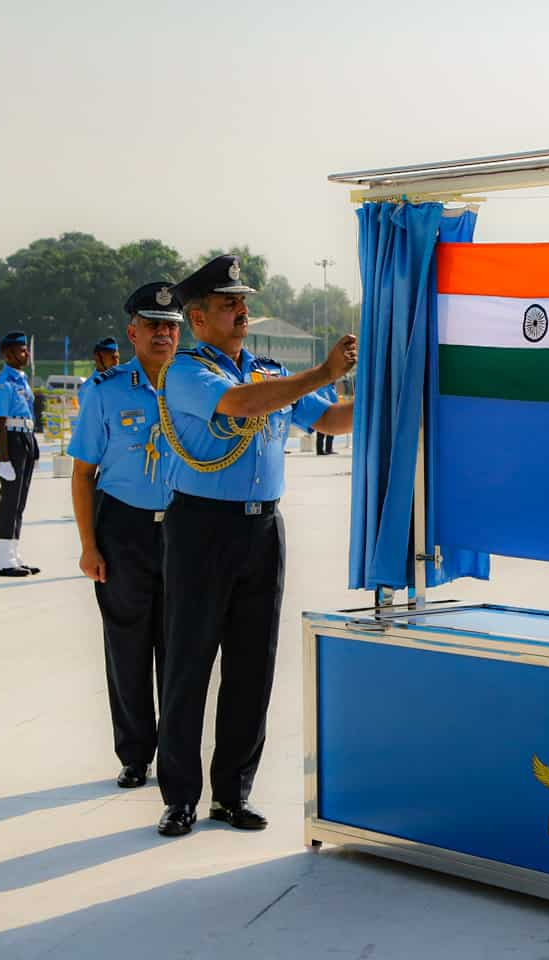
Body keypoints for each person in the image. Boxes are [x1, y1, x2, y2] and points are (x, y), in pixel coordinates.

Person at [153, 254, 357, 837]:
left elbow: (330, 421)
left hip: (262, 529)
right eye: (227, 304)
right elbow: (239, 406)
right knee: (188, 664)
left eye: (242, 302)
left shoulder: (268, 373)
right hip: (201, 527)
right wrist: (320, 373)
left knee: (252, 665)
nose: (241, 311)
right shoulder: (188, 371)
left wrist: (383, 398)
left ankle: (232, 792)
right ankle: (180, 796)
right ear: (196, 319)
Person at [67, 284, 181, 790]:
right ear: (132, 332)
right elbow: (82, 473)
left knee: (181, 647)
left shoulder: (196, 385)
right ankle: (135, 753)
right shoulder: (105, 390)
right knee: (127, 646)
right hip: (124, 529)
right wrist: (89, 546)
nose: (163, 333)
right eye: (153, 325)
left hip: (184, 529)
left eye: (171, 325)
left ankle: (179, 751)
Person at [0, 330, 40, 576]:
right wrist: (5, 459)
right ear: (9, 354)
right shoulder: (3, 383)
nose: (26, 353)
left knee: (20, 503)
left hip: (25, 438)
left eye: (26, 349)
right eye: (21, 350)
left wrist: (35, 448)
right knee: (9, 501)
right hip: (11, 441)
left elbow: (29, 415)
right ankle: (2, 561)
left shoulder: (21, 380)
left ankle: (13, 554)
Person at [315, 382, 339, 454]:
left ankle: (328, 449)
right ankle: (321, 450)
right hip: (326, 411)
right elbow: (329, 400)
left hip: (329, 410)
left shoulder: (330, 387)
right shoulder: (325, 388)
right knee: (322, 432)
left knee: (329, 432)